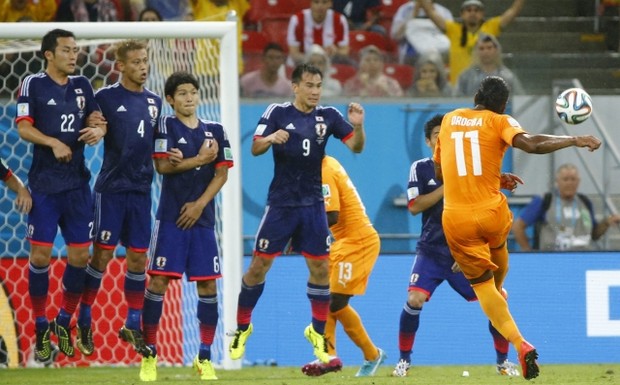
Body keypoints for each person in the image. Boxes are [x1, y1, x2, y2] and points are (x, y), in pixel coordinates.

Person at [433, 75, 602, 380]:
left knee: (484, 288)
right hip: (492, 214)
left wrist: (489, 176)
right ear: (503, 105)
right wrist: (574, 139)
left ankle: (519, 343)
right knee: (497, 278)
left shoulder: (448, 120)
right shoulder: (499, 121)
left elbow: (442, 171)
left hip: (456, 219)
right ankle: (493, 285)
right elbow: (531, 144)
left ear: (476, 96)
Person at [228, 63, 366, 366]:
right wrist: (270, 138)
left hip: (313, 205)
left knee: (320, 271)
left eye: (319, 85)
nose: (315, 91)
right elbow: (254, 148)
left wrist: (357, 125)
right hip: (281, 205)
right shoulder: (277, 112)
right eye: (309, 85)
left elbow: (356, 147)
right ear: (295, 87)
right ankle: (242, 327)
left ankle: (317, 334)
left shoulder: (328, 116)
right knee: (257, 268)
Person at [392, 114, 519, 378]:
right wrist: (449, 185)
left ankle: (503, 362)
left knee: (498, 298)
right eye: (437, 135)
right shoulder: (421, 167)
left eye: (445, 134)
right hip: (432, 251)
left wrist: (498, 179)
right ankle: (403, 361)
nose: (442, 139)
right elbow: (415, 207)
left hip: (466, 250)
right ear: (429, 141)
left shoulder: (469, 165)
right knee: (414, 299)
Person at [15, 28, 105, 363]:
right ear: (49, 54)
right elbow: (23, 127)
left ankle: (63, 320)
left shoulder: (83, 85)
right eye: (66, 50)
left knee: (81, 256)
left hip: (78, 186)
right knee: (40, 257)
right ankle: (40, 324)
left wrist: (99, 129)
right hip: (44, 187)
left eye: (75, 50)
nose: (73, 55)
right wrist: (52, 142)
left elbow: (98, 120)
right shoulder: (33, 84)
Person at [139, 71, 233, 382]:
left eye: (193, 92)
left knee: (207, 285)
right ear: (170, 99)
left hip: (202, 221)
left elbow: (222, 174)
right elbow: (163, 165)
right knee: (158, 284)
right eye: (182, 93)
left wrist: (198, 205)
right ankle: (149, 354)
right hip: (170, 219)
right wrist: (197, 159)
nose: (189, 97)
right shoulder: (165, 125)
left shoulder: (216, 130)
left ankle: (204, 356)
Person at [75, 39, 162, 357]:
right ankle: (84, 317)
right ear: (121, 66)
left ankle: (133, 322)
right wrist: (96, 130)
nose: (143, 67)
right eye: (137, 62)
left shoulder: (155, 102)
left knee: (139, 259)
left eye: (145, 60)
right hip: (111, 190)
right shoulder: (104, 97)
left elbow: (156, 145)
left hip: (141, 192)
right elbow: (92, 123)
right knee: (101, 256)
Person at [301, 155, 385, 377]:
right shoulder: (326, 163)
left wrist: (299, 231)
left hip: (359, 242)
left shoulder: (324, 170)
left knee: (333, 301)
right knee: (326, 299)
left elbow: (332, 215)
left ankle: (371, 355)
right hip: (345, 242)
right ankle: (328, 356)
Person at [512, 163, 620, 251]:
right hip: (551, 259)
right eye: (565, 179)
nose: (569, 183)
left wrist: (606, 222)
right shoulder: (545, 201)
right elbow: (518, 226)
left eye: (573, 179)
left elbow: (594, 235)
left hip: (582, 258)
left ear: (578, 182)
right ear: (557, 182)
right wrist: (528, 252)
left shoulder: (585, 202)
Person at [418, 0, 525, 85]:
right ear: (462, 14)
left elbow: (513, 11)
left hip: (484, 89)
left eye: (476, 10)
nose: (473, 13)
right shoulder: (453, 29)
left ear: (482, 14)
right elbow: (430, 12)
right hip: (459, 88)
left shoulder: (491, 27)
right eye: (468, 10)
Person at [454, 34, 524, 97]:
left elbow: (519, 98)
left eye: (489, 48)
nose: (485, 52)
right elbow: (455, 99)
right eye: (481, 48)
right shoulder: (466, 76)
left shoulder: (507, 76)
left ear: (496, 50)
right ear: (476, 51)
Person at [287, 0, 350, 66]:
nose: (320, 6)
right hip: (301, 63)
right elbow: (294, 54)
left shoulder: (340, 20)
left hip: (330, 63)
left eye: (324, 2)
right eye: (316, 2)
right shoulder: (297, 20)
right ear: (311, 3)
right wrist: (313, 61)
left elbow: (345, 52)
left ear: (330, 4)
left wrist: (335, 51)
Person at [390, 0, 452, 65]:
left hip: (439, 54)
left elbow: (451, 36)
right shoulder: (404, 9)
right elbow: (396, 36)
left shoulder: (444, 12)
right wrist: (414, 13)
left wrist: (430, 12)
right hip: (411, 56)